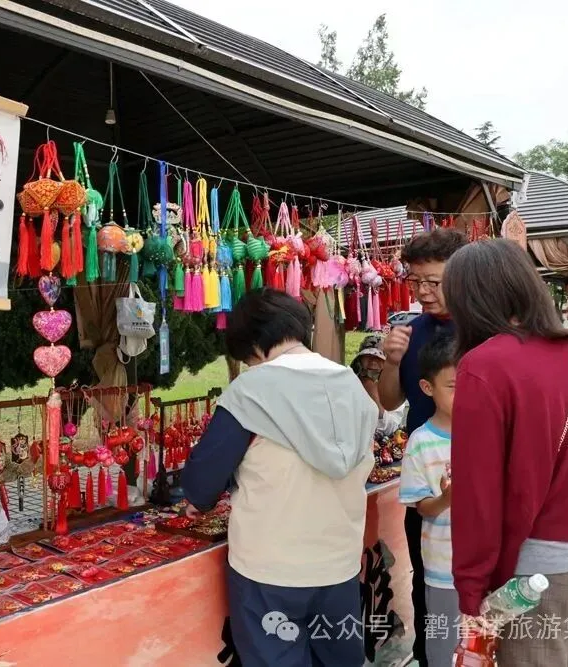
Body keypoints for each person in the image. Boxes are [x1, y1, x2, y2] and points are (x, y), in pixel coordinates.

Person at [444, 239, 568, 666]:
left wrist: (471, 591)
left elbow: (477, 493)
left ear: (468, 299)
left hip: (539, 582)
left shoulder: (483, 366)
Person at [181, 288, 378, 667]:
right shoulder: (352, 385)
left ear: (253, 344)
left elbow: (202, 483)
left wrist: (197, 501)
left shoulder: (251, 391)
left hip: (269, 570)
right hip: (338, 565)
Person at [379, 227, 466, 666]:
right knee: (427, 579)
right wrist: (392, 360)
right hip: (428, 474)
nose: (423, 292)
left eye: (434, 281)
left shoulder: (483, 329)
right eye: (416, 281)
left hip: (479, 472)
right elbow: (390, 400)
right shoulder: (410, 331)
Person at [397, 334, 457, 666]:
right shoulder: (420, 443)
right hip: (444, 568)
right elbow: (423, 508)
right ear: (427, 387)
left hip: (486, 565)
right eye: (453, 387)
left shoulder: (487, 431)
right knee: (444, 647)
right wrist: (447, 497)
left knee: (483, 645)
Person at [350, 334, 405, 435]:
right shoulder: (350, 381)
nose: (372, 363)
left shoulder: (395, 389)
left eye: (378, 358)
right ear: (360, 360)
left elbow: (391, 428)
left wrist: (372, 393)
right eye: (368, 357)